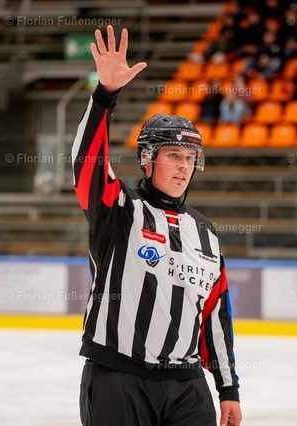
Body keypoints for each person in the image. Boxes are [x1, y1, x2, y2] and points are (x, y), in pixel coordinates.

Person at [73, 26, 242, 426]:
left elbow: (215, 316)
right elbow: (87, 166)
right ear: (147, 160)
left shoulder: (206, 233)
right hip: (118, 377)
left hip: (188, 388)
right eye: (173, 155)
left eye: (190, 157)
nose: (185, 166)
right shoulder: (119, 209)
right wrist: (104, 96)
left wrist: (228, 388)